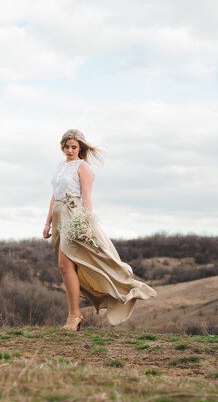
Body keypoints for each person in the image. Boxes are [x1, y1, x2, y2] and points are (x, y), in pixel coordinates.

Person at [43, 129, 157, 331]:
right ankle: (74, 314)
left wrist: (87, 224)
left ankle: (74, 315)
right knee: (65, 267)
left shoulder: (83, 167)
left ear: (80, 148)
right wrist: (47, 222)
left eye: (73, 147)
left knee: (66, 264)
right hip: (59, 216)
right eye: (66, 147)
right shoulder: (60, 166)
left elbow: (87, 198)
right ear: (62, 147)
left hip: (75, 216)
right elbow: (54, 195)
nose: (69, 150)